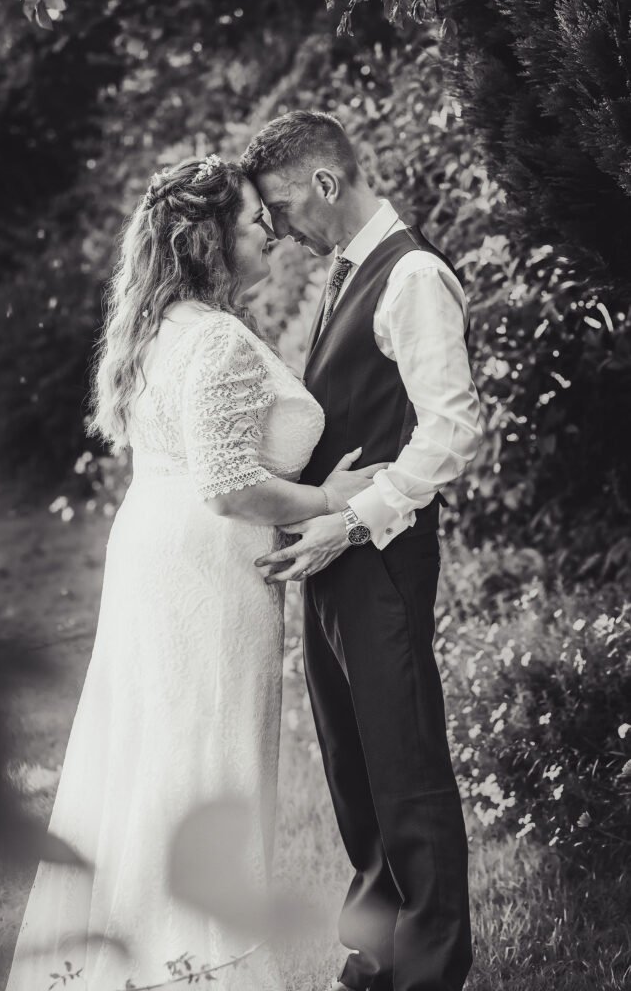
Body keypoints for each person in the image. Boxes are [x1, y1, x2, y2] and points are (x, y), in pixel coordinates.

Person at [3, 155, 382, 991]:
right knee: (208, 763)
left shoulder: (160, 325)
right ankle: (202, 967)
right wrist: (324, 498)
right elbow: (227, 487)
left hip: (153, 551)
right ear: (206, 240)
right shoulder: (211, 339)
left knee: (155, 760)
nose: (269, 235)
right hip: (203, 571)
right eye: (252, 222)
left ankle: (145, 958)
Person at [243, 111, 483, 991]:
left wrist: (350, 518)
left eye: (276, 208)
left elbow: (451, 430)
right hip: (335, 558)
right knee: (353, 763)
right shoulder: (347, 275)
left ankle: (427, 970)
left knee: (405, 765)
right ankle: (376, 951)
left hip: (379, 553)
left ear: (325, 185)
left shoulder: (411, 273)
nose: (274, 228)